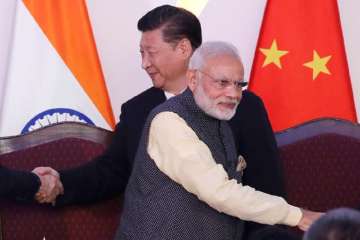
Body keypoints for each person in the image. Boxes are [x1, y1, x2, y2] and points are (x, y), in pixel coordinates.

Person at [34, 4, 286, 237]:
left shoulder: (244, 107)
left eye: (150, 53)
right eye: (141, 53)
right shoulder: (137, 110)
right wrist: (58, 181)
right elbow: (110, 172)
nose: (144, 64)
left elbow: (266, 189)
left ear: (183, 49)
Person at [115, 41, 321, 240]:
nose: (233, 94)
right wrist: (298, 216)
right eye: (222, 83)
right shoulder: (168, 121)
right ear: (193, 79)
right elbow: (218, 192)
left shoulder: (219, 119)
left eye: (239, 85)